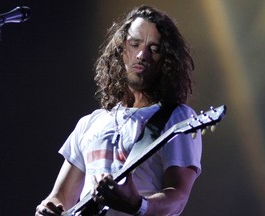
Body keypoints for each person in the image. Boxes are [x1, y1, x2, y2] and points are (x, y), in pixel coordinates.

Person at [35, 5, 202, 216]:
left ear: (166, 60)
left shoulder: (177, 118)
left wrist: (138, 204)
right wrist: (47, 207)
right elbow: (61, 197)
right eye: (135, 44)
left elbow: (177, 197)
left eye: (154, 49)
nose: (142, 54)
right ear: (121, 49)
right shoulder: (90, 123)